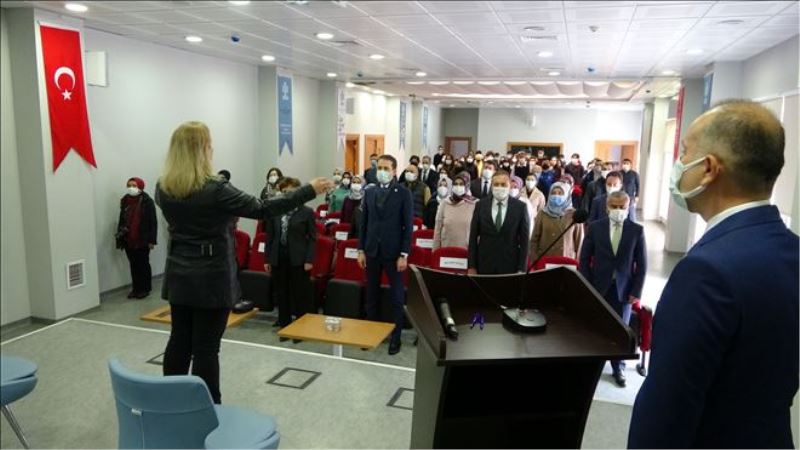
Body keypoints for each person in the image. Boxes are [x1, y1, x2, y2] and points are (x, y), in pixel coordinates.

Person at [629, 100, 799, 449]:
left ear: (708, 169)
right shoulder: (791, 249)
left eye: (684, 153)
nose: (678, 165)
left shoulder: (706, 271)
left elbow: (668, 408)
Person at [155, 121, 332, 404]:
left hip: (178, 273)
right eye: (209, 144)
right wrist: (308, 190)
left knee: (179, 340)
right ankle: (209, 409)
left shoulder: (163, 188)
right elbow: (262, 208)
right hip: (210, 277)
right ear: (203, 149)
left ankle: (171, 402)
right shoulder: (215, 189)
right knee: (206, 348)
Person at [579, 191, 646, 387]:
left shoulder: (637, 230)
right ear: (607, 207)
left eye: (621, 207)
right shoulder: (595, 227)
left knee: (621, 330)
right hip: (598, 286)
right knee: (596, 327)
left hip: (623, 290)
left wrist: (636, 291)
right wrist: (586, 284)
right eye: (614, 207)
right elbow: (584, 258)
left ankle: (619, 367)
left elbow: (642, 265)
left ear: (628, 207)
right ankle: (594, 364)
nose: (618, 210)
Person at [357, 155, 413, 355]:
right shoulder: (369, 192)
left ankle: (395, 338)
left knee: (397, 297)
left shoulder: (403, 193)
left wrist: (404, 254)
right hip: (372, 250)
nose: (381, 171)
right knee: (371, 295)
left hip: (394, 252)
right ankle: (371, 334)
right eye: (379, 168)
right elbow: (363, 223)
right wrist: (361, 250)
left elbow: (408, 226)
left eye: (386, 168)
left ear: (394, 171)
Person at [264, 177, 317, 339]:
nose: (288, 195)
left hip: (299, 258)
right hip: (278, 256)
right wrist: (267, 259)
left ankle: (300, 330)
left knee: (300, 294)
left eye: (291, 192)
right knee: (282, 293)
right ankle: (284, 326)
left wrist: (309, 259)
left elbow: (312, 238)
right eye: (285, 192)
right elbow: (269, 237)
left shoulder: (307, 212)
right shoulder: (275, 211)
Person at [467, 170, 530, 275]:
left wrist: (522, 269)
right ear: (491, 186)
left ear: (509, 186)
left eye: (503, 184)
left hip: (510, 265)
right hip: (484, 264)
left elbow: (525, 242)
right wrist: (471, 266)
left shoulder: (520, 207)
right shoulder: (480, 205)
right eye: (496, 184)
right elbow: (473, 238)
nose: (499, 187)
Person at [116, 177, 158, 299]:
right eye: (129, 185)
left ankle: (145, 289)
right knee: (133, 265)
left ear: (140, 187)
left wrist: (152, 240)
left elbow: (153, 222)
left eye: (134, 185)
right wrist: (119, 237)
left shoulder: (147, 201)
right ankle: (136, 289)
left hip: (143, 239)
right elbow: (121, 219)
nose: (131, 188)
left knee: (143, 264)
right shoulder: (125, 200)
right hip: (129, 239)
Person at [531, 182, 583, 261]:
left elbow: (579, 243)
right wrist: (535, 259)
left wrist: (578, 262)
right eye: (553, 193)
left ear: (567, 196)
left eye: (560, 193)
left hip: (567, 260)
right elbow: (534, 239)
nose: (556, 195)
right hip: (545, 258)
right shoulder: (542, 213)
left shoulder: (574, 215)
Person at [433, 172, 475, 250]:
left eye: (461, 184)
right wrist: (435, 251)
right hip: (446, 249)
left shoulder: (474, 204)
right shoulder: (444, 203)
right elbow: (438, 229)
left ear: (467, 186)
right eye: (455, 184)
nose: (458, 186)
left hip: (466, 251)